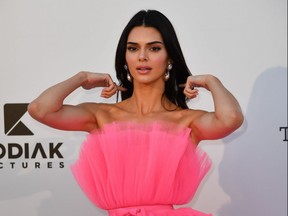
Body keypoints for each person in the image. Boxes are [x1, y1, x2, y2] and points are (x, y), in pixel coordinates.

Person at [28, 9, 243, 216]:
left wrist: (211, 81)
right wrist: (81, 78)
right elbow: (40, 109)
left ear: (170, 58)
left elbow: (231, 118)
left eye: (154, 48)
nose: (142, 56)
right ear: (125, 57)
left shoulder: (186, 121)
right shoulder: (102, 116)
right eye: (133, 48)